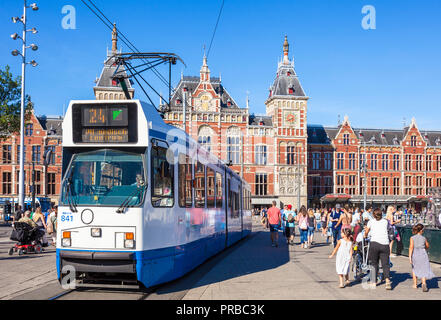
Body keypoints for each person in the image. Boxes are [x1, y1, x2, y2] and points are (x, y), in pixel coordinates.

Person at [364, 208, 392, 290]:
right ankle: (387, 281)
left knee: (374, 263)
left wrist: (365, 235)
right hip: (385, 243)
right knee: (385, 264)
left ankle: (373, 282)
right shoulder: (385, 221)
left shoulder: (371, 222)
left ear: (373, 215)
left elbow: (366, 231)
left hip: (374, 243)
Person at [409, 224, 435, 292]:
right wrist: (425, 247)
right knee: (424, 268)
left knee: (415, 268)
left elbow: (411, 247)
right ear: (421, 231)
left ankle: (415, 284)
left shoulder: (412, 238)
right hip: (423, 253)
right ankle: (423, 283)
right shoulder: (424, 238)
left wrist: (410, 257)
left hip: (415, 254)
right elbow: (427, 246)